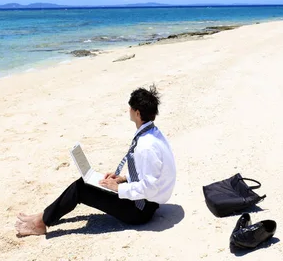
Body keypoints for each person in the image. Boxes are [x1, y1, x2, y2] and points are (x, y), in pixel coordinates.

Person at [15, 85, 176, 236]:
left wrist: (118, 189)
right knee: (90, 182)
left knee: (81, 188)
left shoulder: (145, 146)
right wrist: (123, 178)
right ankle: (44, 215)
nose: (129, 110)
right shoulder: (153, 133)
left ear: (138, 113)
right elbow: (150, 172)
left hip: (140, 211)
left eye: (131, 108)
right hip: (147, 202)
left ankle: (40, 223)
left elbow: (151, 187)